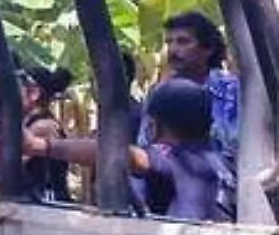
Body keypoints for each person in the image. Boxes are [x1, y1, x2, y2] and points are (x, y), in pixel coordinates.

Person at [28, 77, 232, 222]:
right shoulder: (221, 162)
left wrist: (39, 146)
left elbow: (121, 155)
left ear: (153, 124)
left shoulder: (174, 159)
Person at [138, 11, 238, 213]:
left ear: (208, 48)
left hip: (226, 199)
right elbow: (146, 143)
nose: (173, 49)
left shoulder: (233, 92)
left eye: (183, 42)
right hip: (170, 197)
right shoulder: (159, 93)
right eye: (170, 42)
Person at [17, 66, 73, 203]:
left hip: (48, 205)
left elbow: (6, 165)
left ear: (34, 93)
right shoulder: (33, 123)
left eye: (18, 87)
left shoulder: (43, 127)